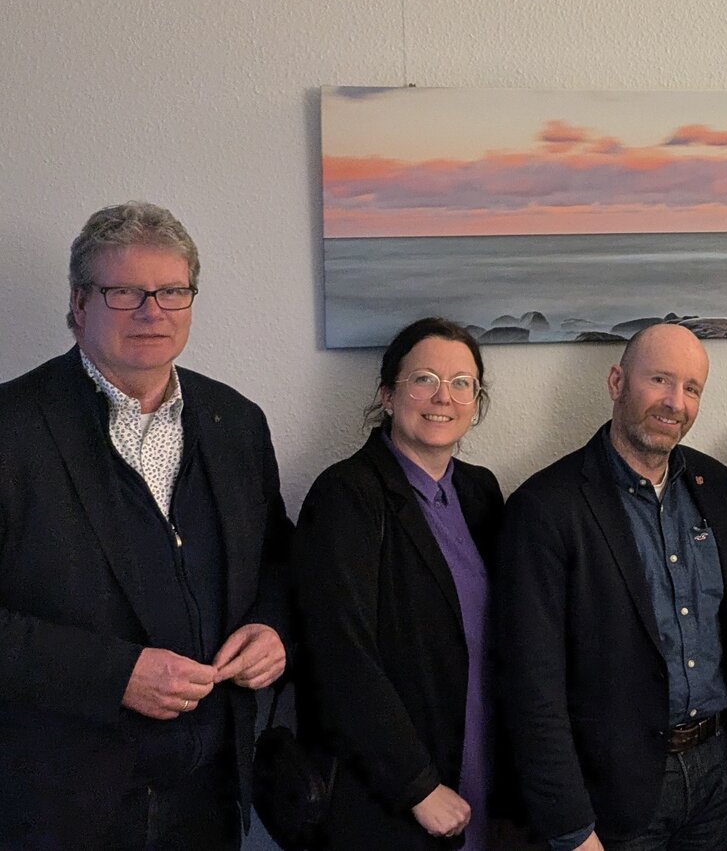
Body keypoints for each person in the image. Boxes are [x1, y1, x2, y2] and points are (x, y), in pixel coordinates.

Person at [0, 200, 292, 850]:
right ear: (80, 303)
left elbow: (278, 561)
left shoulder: (236, 422)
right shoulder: (11, 429)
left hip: (211, 798)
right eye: (125, 290)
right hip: (58, 806)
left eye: (171, 290)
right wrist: (113, 674)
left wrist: (275, 628)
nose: (152, 310)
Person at [498, 322, 727, 851]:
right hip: (611, 793)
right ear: (617, 381)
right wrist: (570, 823)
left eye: (691, 388)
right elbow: (532, 683)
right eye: (660, 380)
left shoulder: (714, 487)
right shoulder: (546, 507)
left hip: (716, 777)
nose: (675, 402)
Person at [293, 317, 504, 849]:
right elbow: (341, 657)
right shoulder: (345, 496)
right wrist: (418, 786)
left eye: (462, 383)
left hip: (477, 756)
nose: (444, 396)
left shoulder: (481, 493)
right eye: (424, 379)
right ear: (388, 395)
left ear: (476, 403)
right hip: (390, 789)